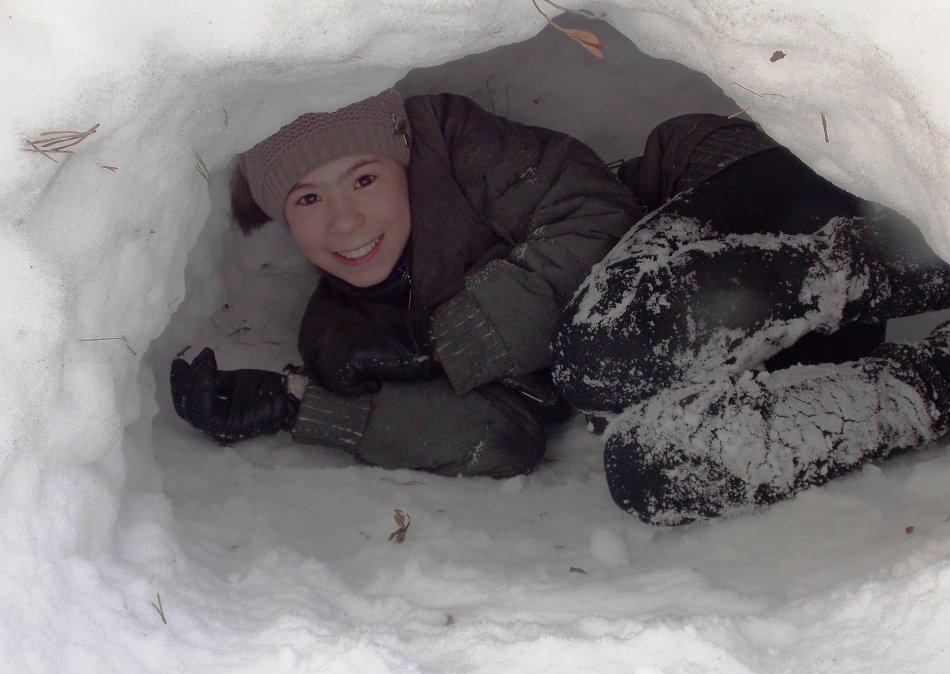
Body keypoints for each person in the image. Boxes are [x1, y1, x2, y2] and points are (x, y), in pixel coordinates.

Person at [552, 114, 950, 525]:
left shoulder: (475, 150)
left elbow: (582, 206)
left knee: (596, 356)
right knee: (651, 470)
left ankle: (940, 252)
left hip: (777, 214)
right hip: (733, 332)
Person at [170, 89, 640, 477]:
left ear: (405, 165)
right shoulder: (342, 333)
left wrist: (442, 339)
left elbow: (600, 224)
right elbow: (499, 436)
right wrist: (295, 405)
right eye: (309, 198)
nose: (346, 223)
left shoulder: (455, 144)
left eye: (364, 179)